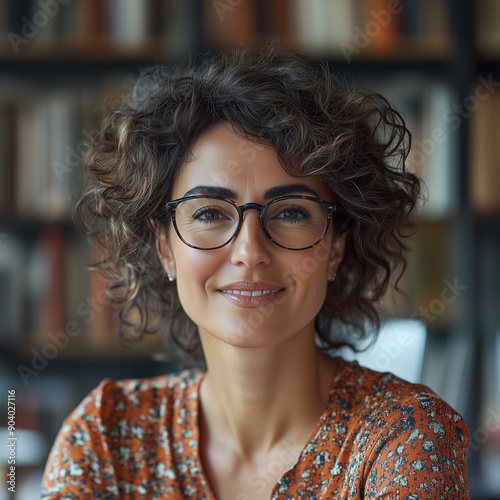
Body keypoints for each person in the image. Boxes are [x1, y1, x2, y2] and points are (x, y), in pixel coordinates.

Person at [41, 41, 469, 499]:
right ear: (165, 247)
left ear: (337, 246)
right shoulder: (105, 437)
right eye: (208, 213)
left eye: (290, 212)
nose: (249, 251)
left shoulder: (405, 438)